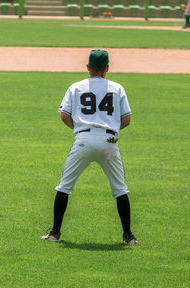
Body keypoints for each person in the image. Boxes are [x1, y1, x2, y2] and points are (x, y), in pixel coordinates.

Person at [42, 49, 137, 245]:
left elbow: (64, 115)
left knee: (64, 187)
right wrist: (108, 131)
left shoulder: (76, 87)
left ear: (88, 67)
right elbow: (126, 120)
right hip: (109, 141)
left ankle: (54, 233)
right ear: (107, 68)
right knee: (120, 189)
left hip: (83, 140)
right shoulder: (117, 88)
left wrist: (79, 129)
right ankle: (129, 236)